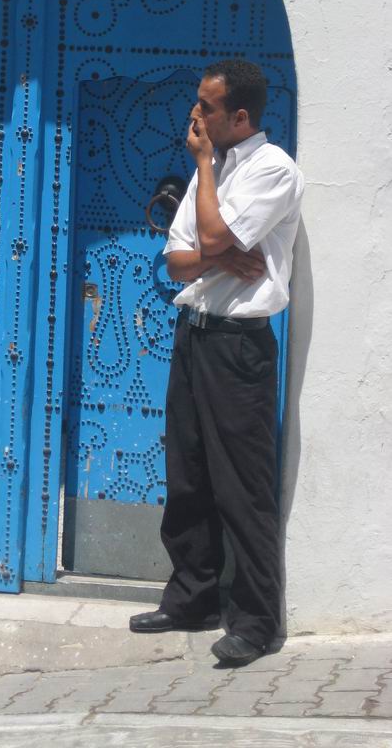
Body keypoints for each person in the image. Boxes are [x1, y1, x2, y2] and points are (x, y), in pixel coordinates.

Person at [129, 59, 304, 667]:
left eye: (206, 107)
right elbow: (179, 259)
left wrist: (204, 177)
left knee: (243, 486)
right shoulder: (219, 170)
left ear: (240, 116)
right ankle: (191, 598)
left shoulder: (272, 170)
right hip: (194, 336)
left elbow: (212, 235)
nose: (194, 117)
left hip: (238, 348)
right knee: (189, 474)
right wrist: (218, 256)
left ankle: (256, 621)